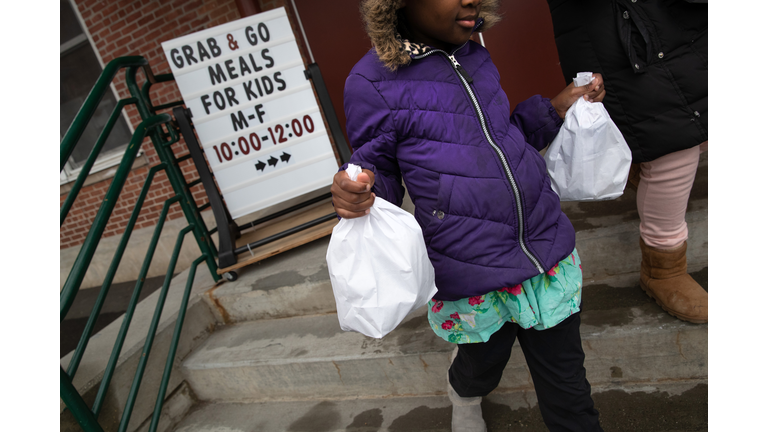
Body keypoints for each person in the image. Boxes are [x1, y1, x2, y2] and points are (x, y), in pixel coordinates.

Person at [331, 1, 606, 430]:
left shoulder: (476, 56)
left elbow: (502, 136)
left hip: (543, 249)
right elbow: (378, 170)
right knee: (482, 363)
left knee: (570, 391)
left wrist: (556, 108)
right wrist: (358, 190)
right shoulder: (372, 81)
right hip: (470, 266)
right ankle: (464, 392)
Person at [546, 0, 708, 324]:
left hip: (675, 20)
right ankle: (664, 268)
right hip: (611, 32)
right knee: (670, 141)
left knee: (700, 113)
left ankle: (637, 166)